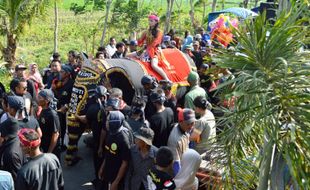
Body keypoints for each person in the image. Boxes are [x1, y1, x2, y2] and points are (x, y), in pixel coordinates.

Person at [98, 111, 132, 190]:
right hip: (109, 170)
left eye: (108, 121)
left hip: (117, 175)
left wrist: (116, 182)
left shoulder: (124, 139)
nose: (106, 122)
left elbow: (125, 163)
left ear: (114, 123)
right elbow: (108, 152)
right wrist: (102, 167)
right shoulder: (110, 132)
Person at [137, 14, 169, 81]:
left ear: (156, 22)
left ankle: (167, 79)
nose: (149, 22)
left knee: (154, 65)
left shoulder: (159, 32)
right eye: (149, 21)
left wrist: (145, 52)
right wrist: (137, 38)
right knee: (128, 55)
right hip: (145, 50)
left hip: (154, 51)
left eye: (151, 21)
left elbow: (155, 44)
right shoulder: (146, 31)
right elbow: (140, 43)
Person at [53, 64, 74, 156]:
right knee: (59, 126)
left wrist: (67, 106)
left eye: (62, 72)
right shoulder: (59, 82)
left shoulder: (72, 84)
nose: (60, 73)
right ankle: (60, 143)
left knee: (65, 128)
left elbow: (74, 99)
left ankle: (66, 145)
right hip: (58, 108)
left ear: (67, 74)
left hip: (67, 110)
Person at [168, 108, 196, 176]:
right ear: (180, 122)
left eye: (192, 123)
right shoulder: (174, 139)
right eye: (188, 124)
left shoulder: (186, 129)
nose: (191, 126)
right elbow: (176, 165)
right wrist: (181, 179)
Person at [37, 89, 61, 159]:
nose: (37, 99)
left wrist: (49, 152)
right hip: (45, 145)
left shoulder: (52, 115)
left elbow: (55, 134)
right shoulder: (43, 110)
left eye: (40, 98)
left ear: (47, 101)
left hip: (52, 149)